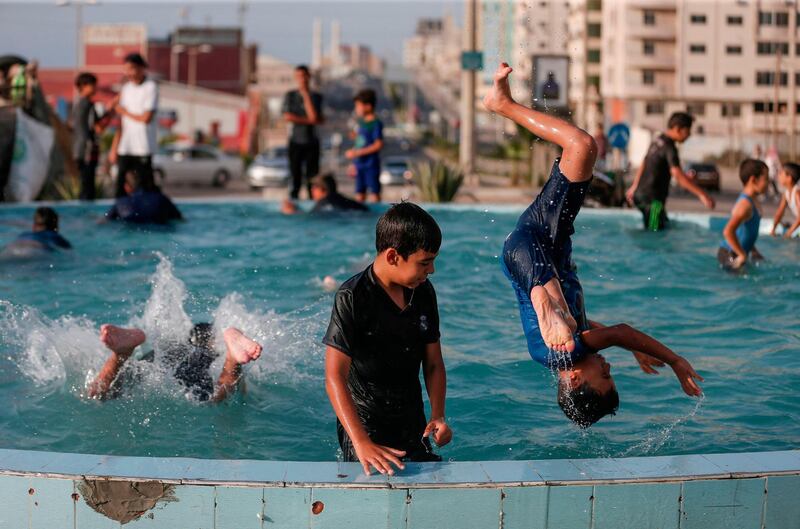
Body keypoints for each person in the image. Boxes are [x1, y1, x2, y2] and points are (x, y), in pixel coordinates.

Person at [484, 63, 703, 428]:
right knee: (582, 147)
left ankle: (502, 105)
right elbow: (607, 332)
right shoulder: (573, 347)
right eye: (612, 373)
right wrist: (634, 349)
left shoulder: (559, 355)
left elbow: (618, 331)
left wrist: (676, 360)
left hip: (527, 250)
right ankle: (548, 300)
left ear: (574, 380)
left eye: (604, 376)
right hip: (546, 241)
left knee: (582, 144)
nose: (607, 367)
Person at [324, 202, 452, 475]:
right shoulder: (352, 297)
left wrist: (438, 415)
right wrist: (361, 442)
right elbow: (335, 376)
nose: (431, 271)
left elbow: (433, 363)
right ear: (393, 256)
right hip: (365, 424)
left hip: (410, 420)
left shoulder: (423, 293)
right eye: (425, 262)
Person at [87, 323, 262, 403]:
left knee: (99, 394)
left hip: (155, 360)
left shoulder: (170, 347)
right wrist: (235, 367)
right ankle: (232, 358)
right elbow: (242, 393)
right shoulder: (208, 354)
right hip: (192, 373)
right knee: (218, 399)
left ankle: (121, 354)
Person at [625, 112, 715, 231]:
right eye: (687, 131)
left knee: (663, 226)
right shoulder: (670, 147)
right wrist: (703, 195)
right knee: (654, 234)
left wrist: (635, 186)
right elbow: (677, 175)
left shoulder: (657, 140)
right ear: (677, 129)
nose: (688, 136)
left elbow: (645, 162)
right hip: (653, 201)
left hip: (642, 196)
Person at [110, 53, 158, 198]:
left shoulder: (151, 87)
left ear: (141, 68)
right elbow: (122, 122)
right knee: (120, 188)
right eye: (126, 69)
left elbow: (146, 118)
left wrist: (124, 111)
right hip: (126, 147)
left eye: (131, 68)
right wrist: (114, 147)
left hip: (143, 147)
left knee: (146, 187)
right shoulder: (126, 89)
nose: (128, 73)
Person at [717, 159, 770, 270]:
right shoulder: (745, 204)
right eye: (766, 179)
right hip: (729, 253)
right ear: (753, 180)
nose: (768, 183)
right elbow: (728, 231)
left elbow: (747, 231)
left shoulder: (753, 200)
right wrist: (742, 254)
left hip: (738, 252)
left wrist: (753, 250)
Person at [282, 65, 324, 200]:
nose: (302, 79)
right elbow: (288, 116)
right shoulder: (290, 96)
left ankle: (312, 201)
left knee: (312, 177)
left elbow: (317, 117)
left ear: (309, 77)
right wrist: (310, 120)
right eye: (299, 76)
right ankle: (294, 200)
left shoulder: (316, 96)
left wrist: (306, 96)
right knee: (295, 175)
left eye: (304, 76)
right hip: (295, 141)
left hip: (312, 141)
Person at [346, 89, 384, 203]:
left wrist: (358, 153)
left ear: (368, 106)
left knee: (374, 193)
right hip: (359, 164)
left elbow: (378, 144)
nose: (356, 109)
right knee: (359, 194)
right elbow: (359, 143)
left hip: (370, 164)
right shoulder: (360, 123)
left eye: (358, 106)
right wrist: (353, 161)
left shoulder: (376, 123)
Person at [105, 170, 183, 225]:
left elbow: (105, 222)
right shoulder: (161, 199)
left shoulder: (120, 202)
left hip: (132, 231)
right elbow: (180, 219)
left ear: (127, 187)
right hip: (160, 231)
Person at [71, 72, 102, 200]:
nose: (95, 88)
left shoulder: (77, 104)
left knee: (84, 184)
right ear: (83, 86)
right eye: (92, 85)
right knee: (88, 187)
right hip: (87, 150)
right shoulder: (88, 105)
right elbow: (97, 127)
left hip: (78, 149)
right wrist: (112, 111)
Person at [6, 207, 71, 252]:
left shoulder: (25, 234)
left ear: (34, 224)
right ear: (55, 225)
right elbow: (69, 251)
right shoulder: (54, 236)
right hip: (37, 248)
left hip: (13, 247)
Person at [771, 162, 800, 238]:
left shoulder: (797, 193)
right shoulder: (786, 193)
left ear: (789, 178)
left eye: (780, 173)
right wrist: (773, 229)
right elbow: (780, 212)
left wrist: (789, 232)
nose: (778, 176)